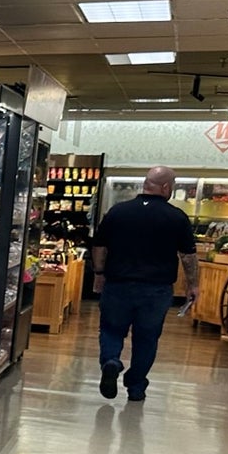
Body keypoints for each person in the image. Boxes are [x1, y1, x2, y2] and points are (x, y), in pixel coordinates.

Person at [90, 166, 198, 401]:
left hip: (118, 284)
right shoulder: (177, 217)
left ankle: (111, 360)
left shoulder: (118, 212)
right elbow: (188, 256)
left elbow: (99, 246)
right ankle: (136, 386)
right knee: (147, 338)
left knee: (110, 329)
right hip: (156, 290)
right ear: (167, 187)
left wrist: (99, 273)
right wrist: (193, 285)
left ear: (145, 184)